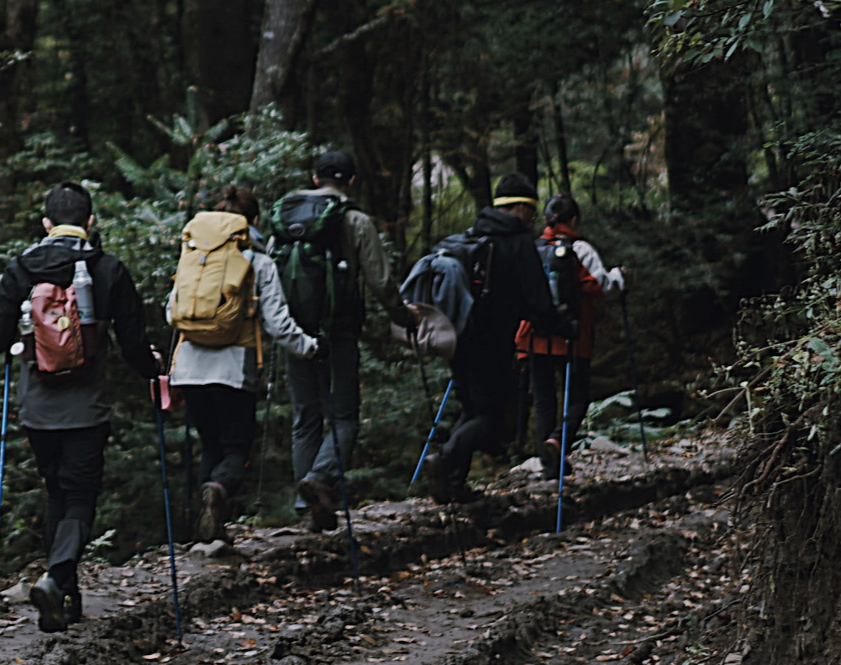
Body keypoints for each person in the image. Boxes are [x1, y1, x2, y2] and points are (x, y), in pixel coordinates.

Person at [0, 182, 167, 633]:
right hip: (87, 406)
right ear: (90, 222)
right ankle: (57, 577)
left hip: (38, 406)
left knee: (56, 492)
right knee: (80, 496)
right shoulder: (107, 268)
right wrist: (153, 369)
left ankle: (64, 594)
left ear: (46, 224)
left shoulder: (21, 268)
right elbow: (132, 342)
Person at [163, 182, 318, 542]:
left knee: (211, 446)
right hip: (233, 371)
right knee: (236, 450)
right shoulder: (258, 261)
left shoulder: (194, 258)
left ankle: (209, 533)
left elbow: (171, 312)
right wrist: (312, 347)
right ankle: (218, 490)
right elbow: (278, 325)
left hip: (190, 368)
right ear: (255, 221)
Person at [267, 143, 400, 531]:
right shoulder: (353, 219)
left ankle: (306, 505)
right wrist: (404, 316)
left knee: (305, 417)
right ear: (351, 182)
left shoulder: (287, 217)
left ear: (315, 179)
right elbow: (380, 280)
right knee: (344, 418)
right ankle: (319, 479)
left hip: (295, 332)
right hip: (338, 330)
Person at [432, 190, 569, 488]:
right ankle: (444, 459)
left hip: (457, 337)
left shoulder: (471, 236)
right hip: (492, 343)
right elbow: (539, 301)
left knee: (472, 410)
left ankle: (451, 484)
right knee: (491, 417)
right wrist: (561, 326)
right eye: (531, 211)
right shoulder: (518, 243)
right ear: (520, 207)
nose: (532, 219)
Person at [519, 192, 626, 468]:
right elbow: (600, 286)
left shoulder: (531, 249)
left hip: (536, 337)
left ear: (546, 219)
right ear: (574, 220)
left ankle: (549, 467)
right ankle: (557, 441)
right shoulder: (580, 249)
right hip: (572, 336)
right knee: (577, 397)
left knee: (543, 401)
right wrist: (619, 276)